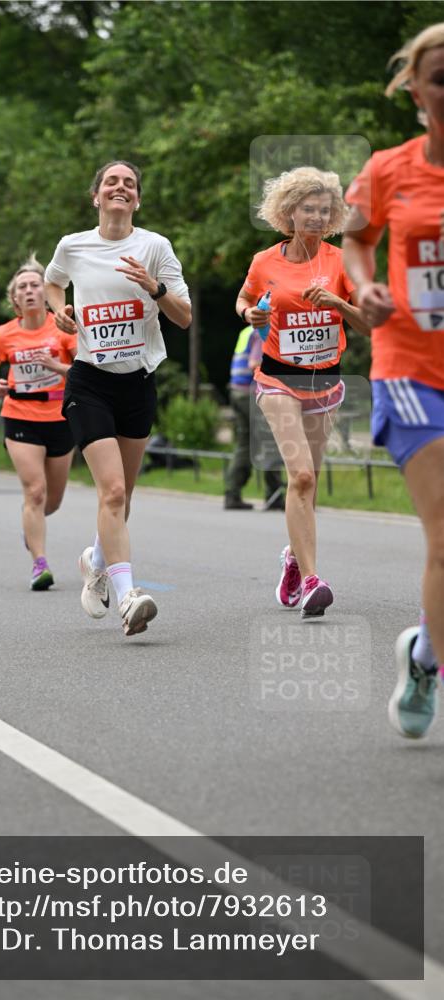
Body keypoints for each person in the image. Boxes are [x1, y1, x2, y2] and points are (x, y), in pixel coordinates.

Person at [343, 24, 444, 738]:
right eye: (441, 77)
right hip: (409, 368)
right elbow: (355, 237)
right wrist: (365, 286)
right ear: (416, 90)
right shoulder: (387, 170)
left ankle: (425, 653)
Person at [44, 160, 191, 635]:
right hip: (89, 381)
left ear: (138, 199)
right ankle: (128, 595)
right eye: (112, 182)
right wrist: (58, 312)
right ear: (96, 196)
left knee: (122, 497)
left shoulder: (154, 247)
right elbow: (52, 282)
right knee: (111, 490)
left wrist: (155, 288)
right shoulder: (73, 245)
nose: (120, 188)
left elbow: (184, 317)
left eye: (130, 184)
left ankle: (95, 560)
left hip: (138, 382)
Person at [236, 167, 370, 617]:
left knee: (307, 487)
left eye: (324, 210)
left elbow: (370, 324)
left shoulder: (341, 261)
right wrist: (250, 314)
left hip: (326, 382)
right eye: (307, 209)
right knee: (303, 477)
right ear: (288, 213)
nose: (315, 217)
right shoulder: (264, 261)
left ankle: (293, 558)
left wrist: (338, 303)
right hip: (277, 379)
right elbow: (245, 300)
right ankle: (313, 579)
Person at [0, 255, 77, 591]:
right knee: (34, 492)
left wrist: (55, 366)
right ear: (15, 299)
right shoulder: (4, 334)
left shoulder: (63, 327)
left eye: (36, 284)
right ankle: (40, 563)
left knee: (52, 501)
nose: (30, 290)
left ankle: (30, 526)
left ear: (46, 292)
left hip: (61, 417)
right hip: (20, 415)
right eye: (23, 287)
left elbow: (82, 370)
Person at [224, 324, 284, 510]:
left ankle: (232, 494)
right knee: (270, 441)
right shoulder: (260, 332)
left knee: (245, 443)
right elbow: (255, 363)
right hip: (251, 393)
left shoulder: (247, 330)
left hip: (237, 391)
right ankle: (274, 495)